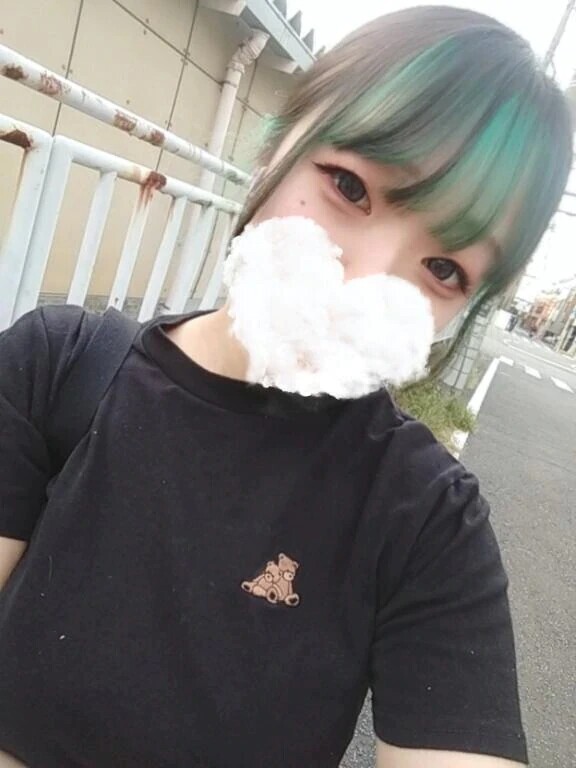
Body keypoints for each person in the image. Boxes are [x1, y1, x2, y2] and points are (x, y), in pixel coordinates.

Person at [0, 6, 573, 768]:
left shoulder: (427, 521)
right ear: (277, 146)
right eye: (349, 186)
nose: (363, 280)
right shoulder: (58, 368)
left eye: (443, 269)